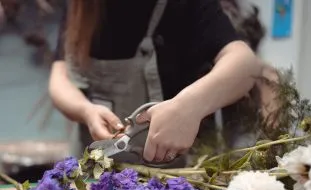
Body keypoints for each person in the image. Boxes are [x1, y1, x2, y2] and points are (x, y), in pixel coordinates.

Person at [48, 0, 262, 165]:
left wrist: (189, 107)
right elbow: (60, 78)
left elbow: (245, 63)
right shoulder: (82, 6)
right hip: (93, 173)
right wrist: (86, 111)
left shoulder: (185, 5)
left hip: (169, 180)